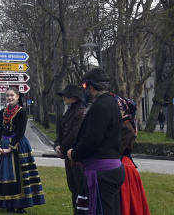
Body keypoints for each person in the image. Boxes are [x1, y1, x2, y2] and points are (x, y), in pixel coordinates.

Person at [68, 67, 125, 215]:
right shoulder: (112, 103)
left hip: (101, 172)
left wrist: (74, 154)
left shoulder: (99, 106)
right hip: (112, 168)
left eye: (85, 87)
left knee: (101, 211)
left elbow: (92, 139)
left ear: (91, 87)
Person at [0, 86, 46, 212]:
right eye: (8, 96)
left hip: (18, 145)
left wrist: (11, 147)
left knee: (19, 175)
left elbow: (21, 132)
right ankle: (8, 204)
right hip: (3, 143)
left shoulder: (22, 111)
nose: (9, 98)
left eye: (12, 95)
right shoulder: (3, 111)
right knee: (4, 174)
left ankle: (20, 205)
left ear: (17, 96)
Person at [114, 95, 149, 214]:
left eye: (118, 108)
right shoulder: (120, 124)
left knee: (126, 200)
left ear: (124, 110)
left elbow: (118, 149)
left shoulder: (126, 126)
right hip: (121, 163)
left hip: (124, 165)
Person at [54, 84, 85, 210]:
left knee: (79, 188)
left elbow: (74, 134)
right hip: (68, 155)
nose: (64, 97)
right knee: (73, 188)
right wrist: (56, 145)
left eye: (66, 95)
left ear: (75, 97)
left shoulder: (81, 112)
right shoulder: (70, 111)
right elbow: (61, 131)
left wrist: (62, 147)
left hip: (76, 155)